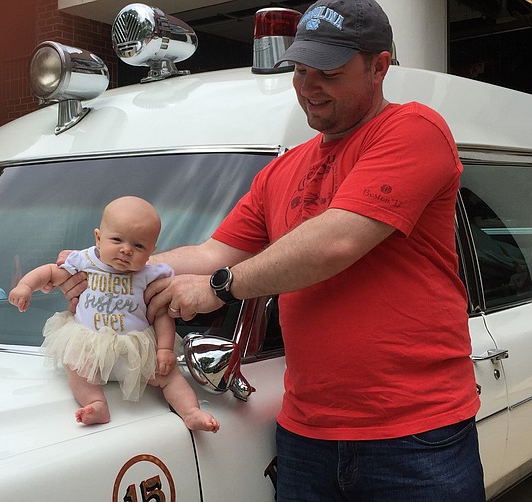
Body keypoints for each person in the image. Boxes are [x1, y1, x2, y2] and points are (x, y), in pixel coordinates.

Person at [60, 1, 485, 499]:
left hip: (415, 435)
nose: (307, 85)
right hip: (308, 434)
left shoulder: (413, 129)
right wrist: (109, 270)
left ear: (379, 66)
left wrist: (222, 289)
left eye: (327, 71)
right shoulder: (282, 170)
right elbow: (214, 251)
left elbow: (337, 240)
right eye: (300, 70)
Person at [10, 196, 219, 432]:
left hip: (136, 349)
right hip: (91, 345)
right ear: (98, 238)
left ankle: (191, 412)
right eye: (117, 239)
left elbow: (162, 315)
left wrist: (164, 350)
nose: (126, 250)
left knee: (168, 375)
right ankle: (96, 403)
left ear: (152, 250)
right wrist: (25, 286)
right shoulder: (85, 261)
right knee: (75, 365)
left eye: (139, 246)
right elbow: (50, 272)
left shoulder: (151, 275)